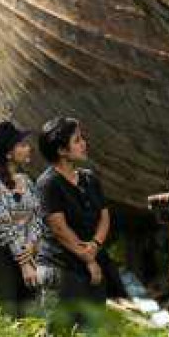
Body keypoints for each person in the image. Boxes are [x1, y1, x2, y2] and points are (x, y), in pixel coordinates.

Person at [36, 117, 113, 321]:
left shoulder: (89, 178)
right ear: (62, 150)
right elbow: (59, 229)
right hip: (60, 267)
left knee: (93, 334)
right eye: (77, 140)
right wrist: (89, 260)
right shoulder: (48, 183)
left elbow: (104, 217)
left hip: (92, 262)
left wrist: (95, 246)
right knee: (63, 336)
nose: (84, 143)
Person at [0, 120, 40, 317]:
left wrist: (32, 246)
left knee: (30, 320)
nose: (28, 148)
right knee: (7, 318)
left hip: (28, 254)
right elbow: (1, 225)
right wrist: (24, 262)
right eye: (21, 145)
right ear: (8, 153)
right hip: (2, 256)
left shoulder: (27, 181)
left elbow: (37, 217)